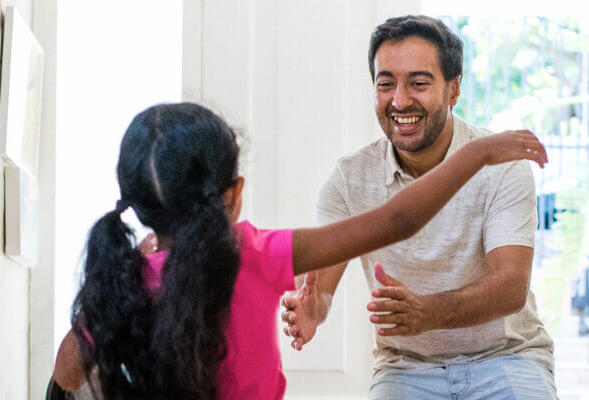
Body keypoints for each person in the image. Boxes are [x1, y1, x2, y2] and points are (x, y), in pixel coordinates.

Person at [52, 102, 547, 399]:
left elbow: (67, 373)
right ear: (233, 193)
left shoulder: (121, 282)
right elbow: (400, 219)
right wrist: (478, 153)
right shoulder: (253, 253)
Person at [280, 15, 559, 399]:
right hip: (405, 368)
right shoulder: (349, 179)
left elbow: (511, 287)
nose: (399, 100)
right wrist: (313, 310)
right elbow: (320, 288)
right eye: (386, 84)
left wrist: (428, 313)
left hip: (506, 358)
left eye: (418, 83)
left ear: (453, 89)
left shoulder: (500, 163)